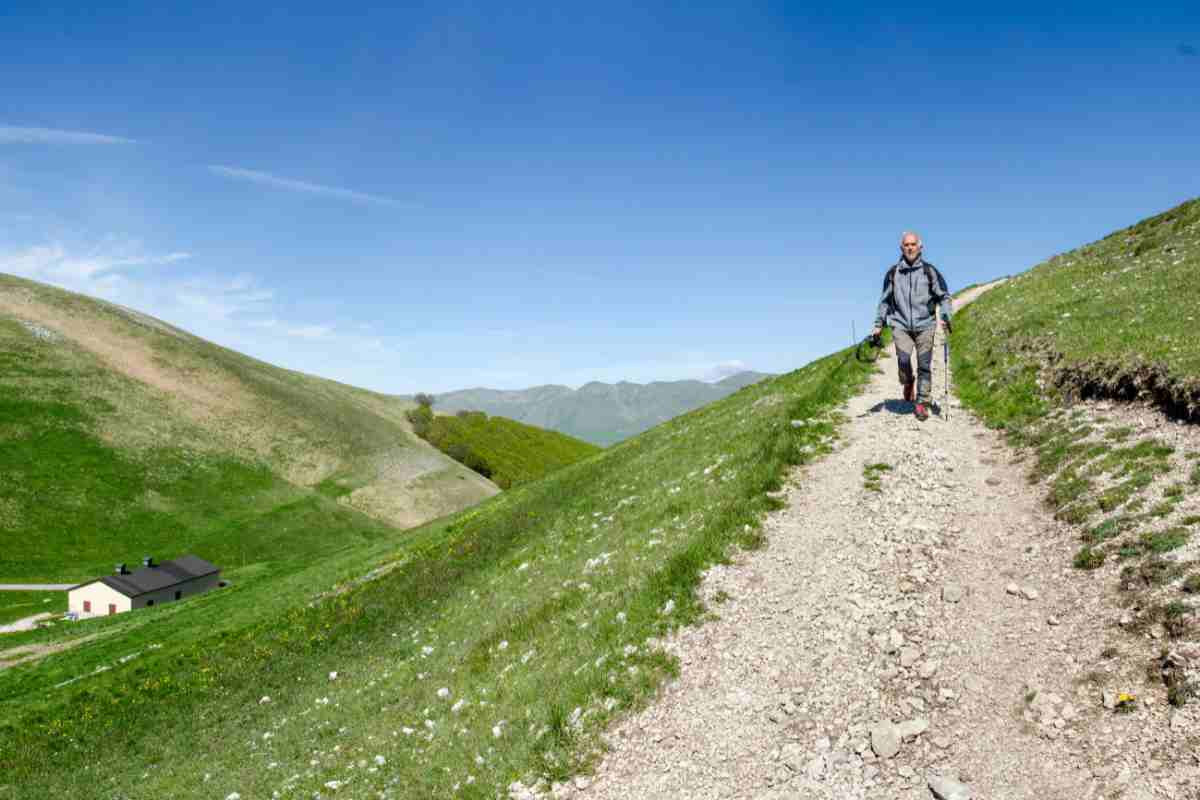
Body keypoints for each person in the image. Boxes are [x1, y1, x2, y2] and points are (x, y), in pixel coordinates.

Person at [870, 232, 953, 421]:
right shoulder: (893, 274)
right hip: (900, 325)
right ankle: (908, 381)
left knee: (924, 364)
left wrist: (946, 315)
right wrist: (878, 324)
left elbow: (944, 296)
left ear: (920, 247)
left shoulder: (929, 271)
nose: (910, 248)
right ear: (901, 248)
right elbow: (884, 302)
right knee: (904, 360)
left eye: (913, 244)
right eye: (906, 245)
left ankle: (922, 402)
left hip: (925, 325)